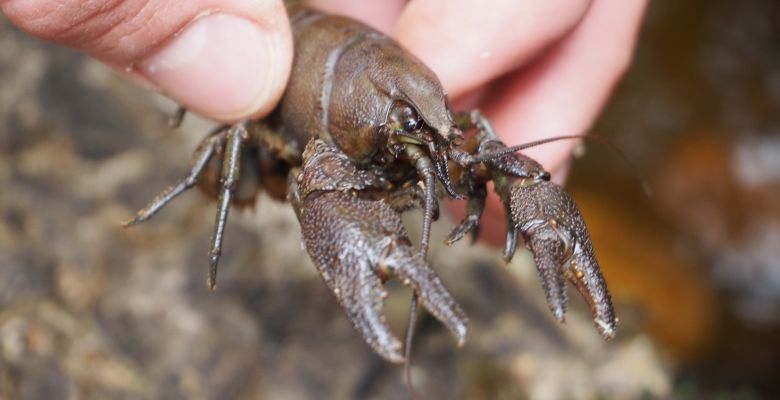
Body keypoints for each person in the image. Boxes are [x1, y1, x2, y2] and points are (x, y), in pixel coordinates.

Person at [1, 0, 646, 245]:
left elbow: (471, 127)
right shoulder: (326, 154)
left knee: (474, 141)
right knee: (235, 139)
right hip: (270, 124)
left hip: (357, 52)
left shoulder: (431, 111)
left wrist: (480, 174)